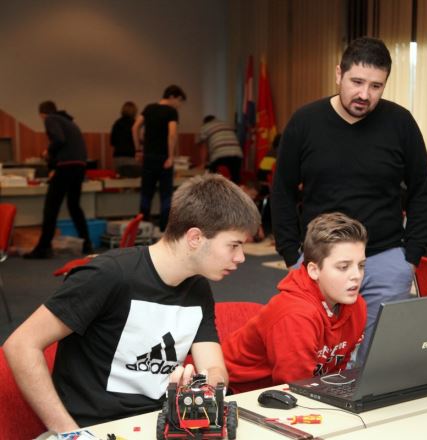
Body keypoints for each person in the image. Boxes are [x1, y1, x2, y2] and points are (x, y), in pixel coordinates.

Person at [4, 174, 261, 432]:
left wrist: (207, 386)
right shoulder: (109, 275)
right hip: (93, 428)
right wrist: (70, 433)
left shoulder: (197, 288)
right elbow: (21, 345)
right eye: (233, 245)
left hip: (157, 426)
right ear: (195, 238)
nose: (240, 257)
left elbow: (214, 367)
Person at [271, 37, 427, 366]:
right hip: (320, 260)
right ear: (338, 74)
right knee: (314, 358)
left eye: (376, 86)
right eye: (357, 82)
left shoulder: (400, 123)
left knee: (378, 362)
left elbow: (422, 191)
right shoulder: (305, 122)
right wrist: (290, 253)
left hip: (385, 259)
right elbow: (282, 191)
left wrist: (411, 257)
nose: (364, 94)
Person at [223, 212, 367, 393]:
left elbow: (337, 374)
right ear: (314, 270)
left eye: (361, 265)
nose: (356, 276)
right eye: (343, 267)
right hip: (234, 393)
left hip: (297, 391)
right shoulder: (295, 315)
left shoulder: (356, 305)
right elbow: (296, 390)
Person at [24, 101, 92, 259]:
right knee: (74, 206)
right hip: (80, 165)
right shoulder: (69, 122)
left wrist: (48, 152)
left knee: (51, 207)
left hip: (67, 166)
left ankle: (43, 248)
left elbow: (59, 140)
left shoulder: (51, 119)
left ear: (42, 114)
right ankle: (86, 243)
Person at [132, 85, 186, 233]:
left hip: (148, 157)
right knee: (166, 195)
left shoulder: (149, 108)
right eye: (179, 101)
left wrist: (138, 150)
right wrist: (171, 156)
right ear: (172, 97)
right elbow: (172, 134)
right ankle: (164, 230)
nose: (179, 105)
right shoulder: (171, 112)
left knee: (146, 193)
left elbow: (135, 128)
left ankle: (142, 228)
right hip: (163, 159)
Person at [197, 115, 243, 183]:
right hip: (237, 154)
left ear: (205, 122)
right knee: (235, 181)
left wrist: (203, 164)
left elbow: (203, 147)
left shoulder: (205, 127)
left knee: (214, 181)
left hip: (219, 155)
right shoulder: (226, 124)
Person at [110, 101, 139, 173]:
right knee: (132, 179)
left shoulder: (117, 123)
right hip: (131, 156)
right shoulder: (135, 124)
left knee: (119, 178)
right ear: (134, 112)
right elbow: (138, 140)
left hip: (118, 156)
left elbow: (112, 141)